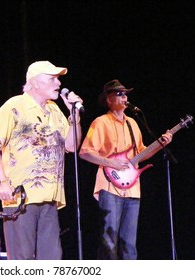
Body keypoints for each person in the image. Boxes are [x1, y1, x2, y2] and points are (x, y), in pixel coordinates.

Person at [0, 60, 83, 260]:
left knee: (51, 259)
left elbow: (71, 146)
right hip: (19, 196)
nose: (58, 84)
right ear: (35, 82)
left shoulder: (55, 110)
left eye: (58, 79)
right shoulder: (14, 106)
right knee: (23, 259)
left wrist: (75, 116)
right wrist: (1, 181)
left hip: (50, 197)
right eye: (52, 78)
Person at [79, 79, 173, 260]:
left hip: (132, 186)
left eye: (125, 94)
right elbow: (85, 152)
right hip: (109, 185)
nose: (124, 97)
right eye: (119, 94)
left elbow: (140, 154)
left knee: (129, 243)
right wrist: (110, 163)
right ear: (108, 99)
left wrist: (161, 144)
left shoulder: (133, 123)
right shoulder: (100, 123)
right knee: (110, 241)